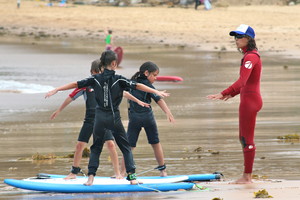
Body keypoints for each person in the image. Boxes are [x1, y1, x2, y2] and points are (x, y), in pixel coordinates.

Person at [45, 50, 170, 185]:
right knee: (126, 147)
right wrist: (155, 91)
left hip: (99, 118)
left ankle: (90, 178)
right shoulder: (119, 79)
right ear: (114, 63)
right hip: (114, 118)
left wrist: (57, 89)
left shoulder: (94, 79)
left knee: (96, 148)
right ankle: (132, 178)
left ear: (102, 64)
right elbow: (137, 85)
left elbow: (75, 84)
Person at [50, 59, 146, 180]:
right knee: (80, 145)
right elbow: (71, 97)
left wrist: (137, 101)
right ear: (93, 72)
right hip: (90, 120)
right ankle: (73, 172)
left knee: (111, 144)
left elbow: (124, 93)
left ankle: (117, 173)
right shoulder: (86, 85)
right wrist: (59, 110)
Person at [207, 24, 263, 184]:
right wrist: (232, 94)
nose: (236, 40)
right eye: (235, 37)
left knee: (247, 139)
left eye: (239, 37)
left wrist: (224, 92)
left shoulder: (251, 57)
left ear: (249, 39)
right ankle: (247, 175)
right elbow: (247, 83)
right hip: (249, 98)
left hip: (250, 101)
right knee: (243, 138)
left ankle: (247, 177)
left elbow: (242, 81)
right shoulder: (250, 55)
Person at [121, 61, 174, 177]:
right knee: (155, 143)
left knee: (129, 146)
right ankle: (163, 171)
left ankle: (121, 173)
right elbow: (159, 99)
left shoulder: (131, 83)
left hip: (134, 118)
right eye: (154, 75)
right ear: (146, 73)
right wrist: (168, 112)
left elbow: (121, 93)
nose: (155, 78)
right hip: (147, 118)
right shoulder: (148, 86)